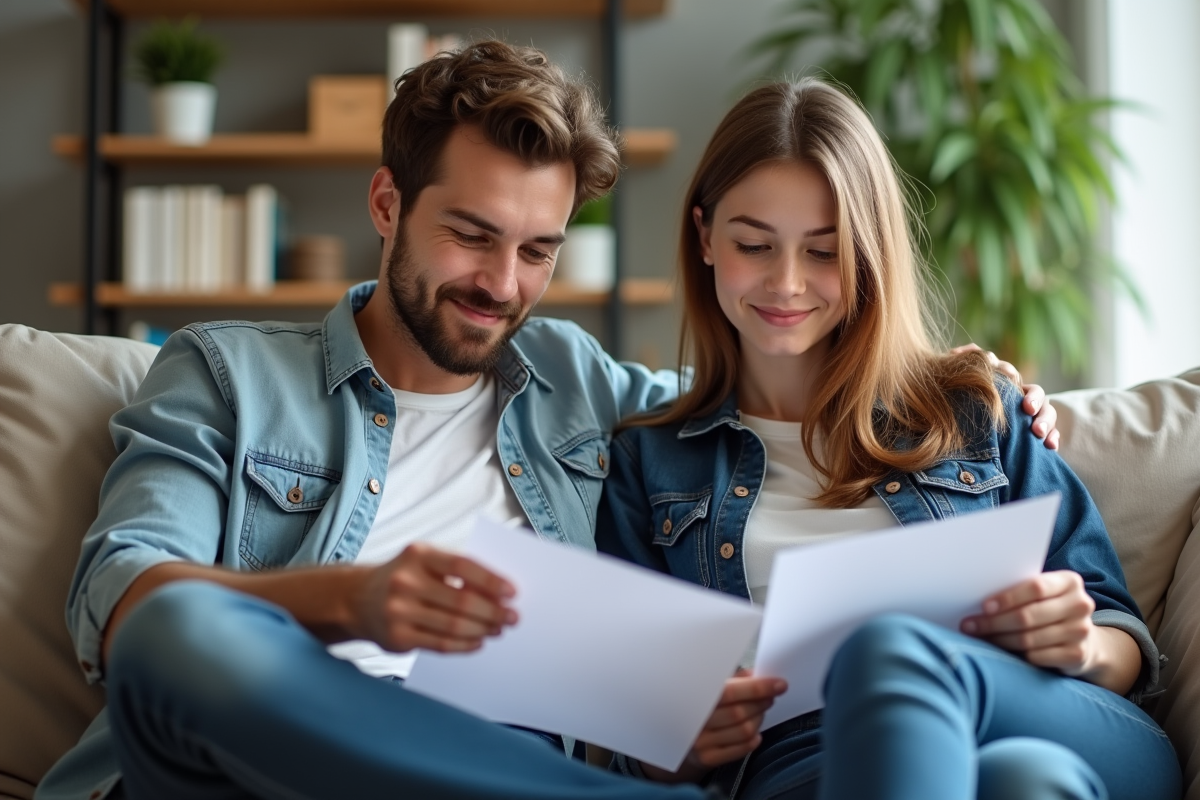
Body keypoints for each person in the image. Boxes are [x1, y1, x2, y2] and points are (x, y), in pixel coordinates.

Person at [37, 43, 1058, 800]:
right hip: (257, 768)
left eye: (539, 250)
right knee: (178, 629)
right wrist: (356, 600)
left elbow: (768, 365)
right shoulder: (223, 371)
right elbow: (126, 600)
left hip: (509, 760)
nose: (500, 283)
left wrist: (949, 376)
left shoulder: (587, 387)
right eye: (471, 235)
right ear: (388, 203)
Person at [595, 78, 1181, 800]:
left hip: (1046, 713)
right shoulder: (647, 464)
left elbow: (1121, 633)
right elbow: (629, 740)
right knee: (1028, 782)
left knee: (893, 654)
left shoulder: (974, 410)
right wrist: (677, 745)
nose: (786, 283)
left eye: (824, 251)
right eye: (754, 244)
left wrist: (1083, 643)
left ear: (870, 252)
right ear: (705, 237)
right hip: (808, 766)